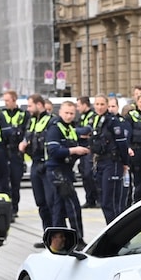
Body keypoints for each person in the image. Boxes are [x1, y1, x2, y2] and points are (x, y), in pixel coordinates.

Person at [44, 100, 88, 240]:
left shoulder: (70, 128)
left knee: (59, 208)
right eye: (66, 113)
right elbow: (53, 151)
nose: (69, 116)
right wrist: (74, 150)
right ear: (60, 112)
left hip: (66, 170)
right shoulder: (55, 128)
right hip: (57, 171)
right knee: (73, 205)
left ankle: (57, 240)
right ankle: (78, 239)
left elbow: (79, 136)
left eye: (72, 113)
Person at [88, 96, 130, 223]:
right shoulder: (94, 120)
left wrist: (125, 163)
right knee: (103, 201)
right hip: (99, 162)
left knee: (111, 201)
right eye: (97, 104)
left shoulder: (113, 121)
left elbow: (122, 144)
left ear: (107, 105)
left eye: (102, 104)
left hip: (112, 162)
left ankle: (118, 230)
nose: (99, 107)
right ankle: (110, 228)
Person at [20, 94, 53, 244]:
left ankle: (56, 237)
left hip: (46, 165)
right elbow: (29, 139)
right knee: (41, 203)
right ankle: (47, 236)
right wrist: (24, 144)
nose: (28, 109)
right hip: (35, 164)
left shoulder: (50, 121)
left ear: (39, 105)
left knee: (51, 202)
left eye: (30, 105)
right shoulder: (32, 121)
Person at [0, 91, 27, 218]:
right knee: (4, 183)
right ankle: (6, 208)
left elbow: (26, 132)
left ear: (14, 100)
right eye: (4, 100)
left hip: (16, 153)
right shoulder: (1, 114)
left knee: (16, 182)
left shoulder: (23, 114)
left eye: (7, 100)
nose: (5, 103)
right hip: (4, 152)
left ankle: (14, 208)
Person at [74, 97, 99, 208]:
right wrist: (79, 133)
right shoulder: (81, 117)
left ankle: (98, 199)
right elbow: (79, 131)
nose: (77, 108)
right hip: (82, 149)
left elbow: (86, 130)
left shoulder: (93, 116)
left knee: (90, 174)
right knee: (84, 175)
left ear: (85, 105)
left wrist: (78, 132)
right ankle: (90, 200)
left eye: (78, 105)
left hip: (90, 149)